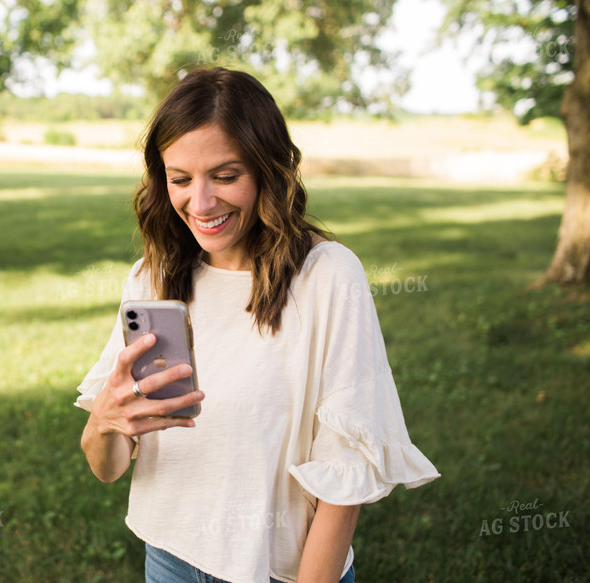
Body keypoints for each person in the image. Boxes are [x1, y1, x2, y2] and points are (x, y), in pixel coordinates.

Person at [75, 67, 440, 583]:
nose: (200, 204)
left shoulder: (328, 275)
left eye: (225, 176)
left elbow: (344, 474)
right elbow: (108, 468)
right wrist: (104, 421)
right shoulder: (151, 277)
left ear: (269, 170)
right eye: (180, 179)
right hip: (169, 560)